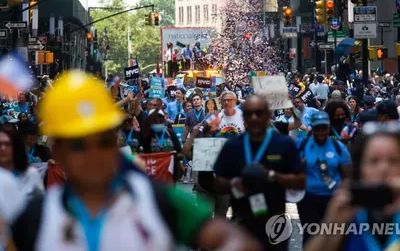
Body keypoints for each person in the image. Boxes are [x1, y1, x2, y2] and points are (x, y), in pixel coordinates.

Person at [10, 70, 261, 251]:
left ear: (116, 140)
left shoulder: (157, 200)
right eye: (78, 145)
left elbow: (228, 237)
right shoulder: (33, 219)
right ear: (57, 152)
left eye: (104, 141)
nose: (94, 154)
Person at [214, 95, 305, 251]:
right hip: (242, 221)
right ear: (244, 117)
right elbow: (217, 182)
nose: (254, 117)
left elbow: (300, 180)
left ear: (268, 115)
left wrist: (272, 176)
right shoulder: (232, 145)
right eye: (249, 114)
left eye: (259, 113)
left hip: (275, 222)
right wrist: (233, 184)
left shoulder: (284, 143)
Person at [305, 121, 400, 251]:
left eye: (393, 161)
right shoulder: (349, 211)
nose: (383, 168)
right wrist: (331, 224)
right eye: (373, 161)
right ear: (360, 167)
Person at [296, 111, 352, 245]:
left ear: (328, 127)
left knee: (333, 237)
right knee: (310, 236)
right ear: (312, 128)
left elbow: (348, 175)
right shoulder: (302, 145)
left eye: (324, 127)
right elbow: (291, 168)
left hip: (333, 199)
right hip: (308, 199)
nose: (321, 131)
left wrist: (343, 196)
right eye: (317, 128)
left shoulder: (338, 147)